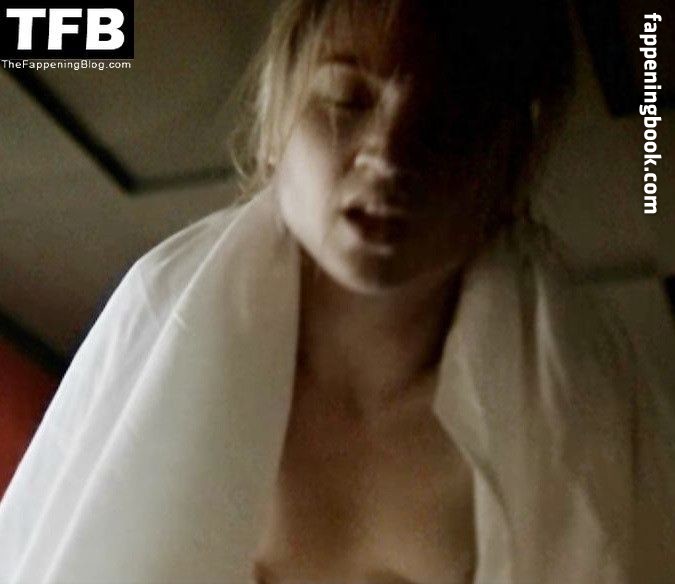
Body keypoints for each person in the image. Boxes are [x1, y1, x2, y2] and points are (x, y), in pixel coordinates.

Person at [0, 0, 673, 583]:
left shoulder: (572, 401)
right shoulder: (160, 321)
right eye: (347, 100)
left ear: (509, 164)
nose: (389, 152)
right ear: (276, 128)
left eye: (448, 116)